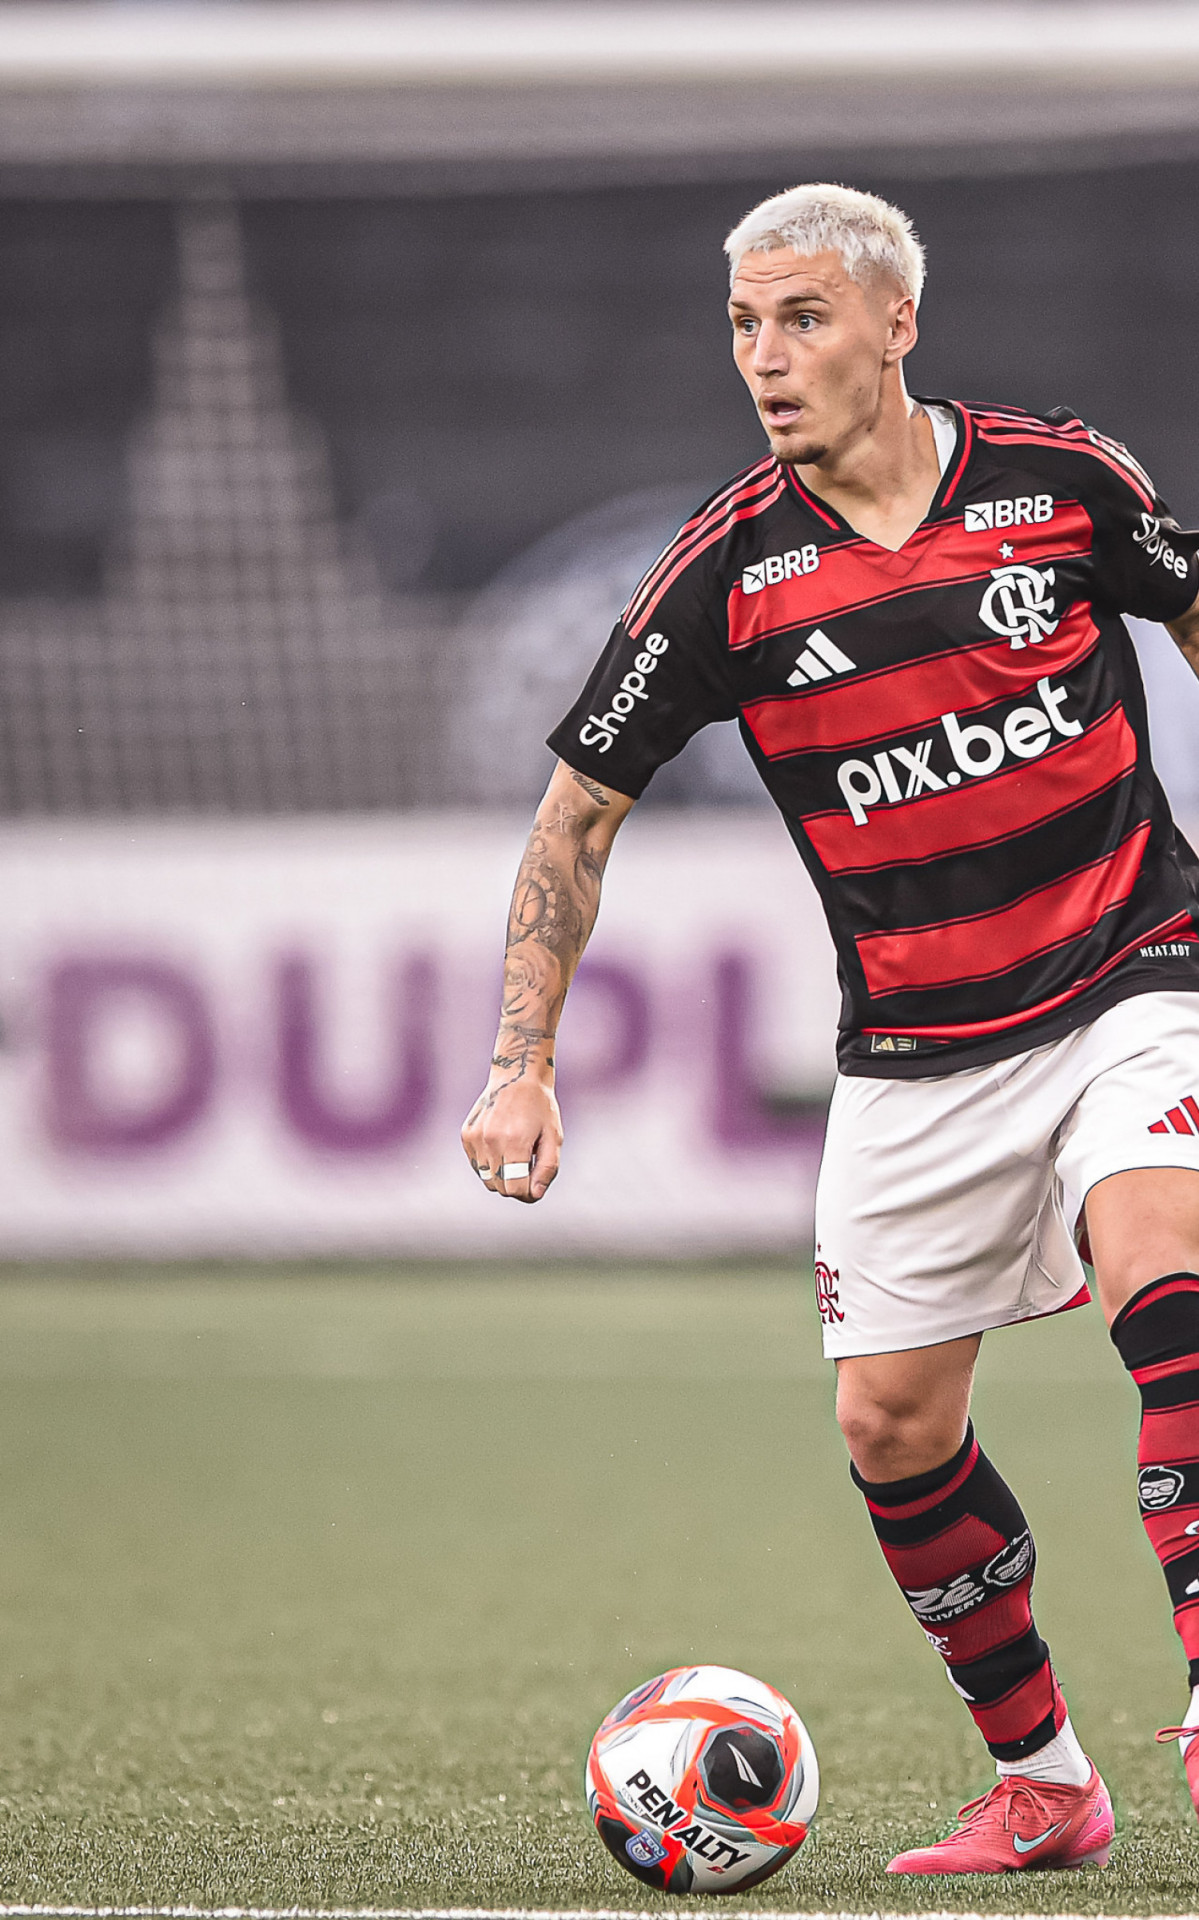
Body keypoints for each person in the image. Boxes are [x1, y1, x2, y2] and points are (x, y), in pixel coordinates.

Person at [460, 182, 1199, 1874]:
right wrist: (520, 1065)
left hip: (1136, 971)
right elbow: (576, 819)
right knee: (892, 1430)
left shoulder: (1060, 483)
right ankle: (1046, 1785)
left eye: (801, 318)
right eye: (743, 325)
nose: (767, 358)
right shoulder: (727, 574)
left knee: (1168, 1276)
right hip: (921, 1051)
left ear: (896, 322)